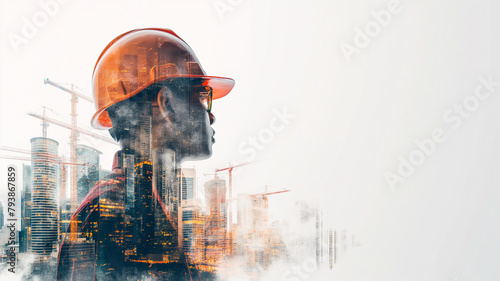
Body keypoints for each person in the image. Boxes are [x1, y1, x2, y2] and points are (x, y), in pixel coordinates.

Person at [56, 28, 234, 281]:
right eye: (203, 98)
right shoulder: (110, 212)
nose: (211, 115)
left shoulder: (146, 206)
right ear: (167, 104)